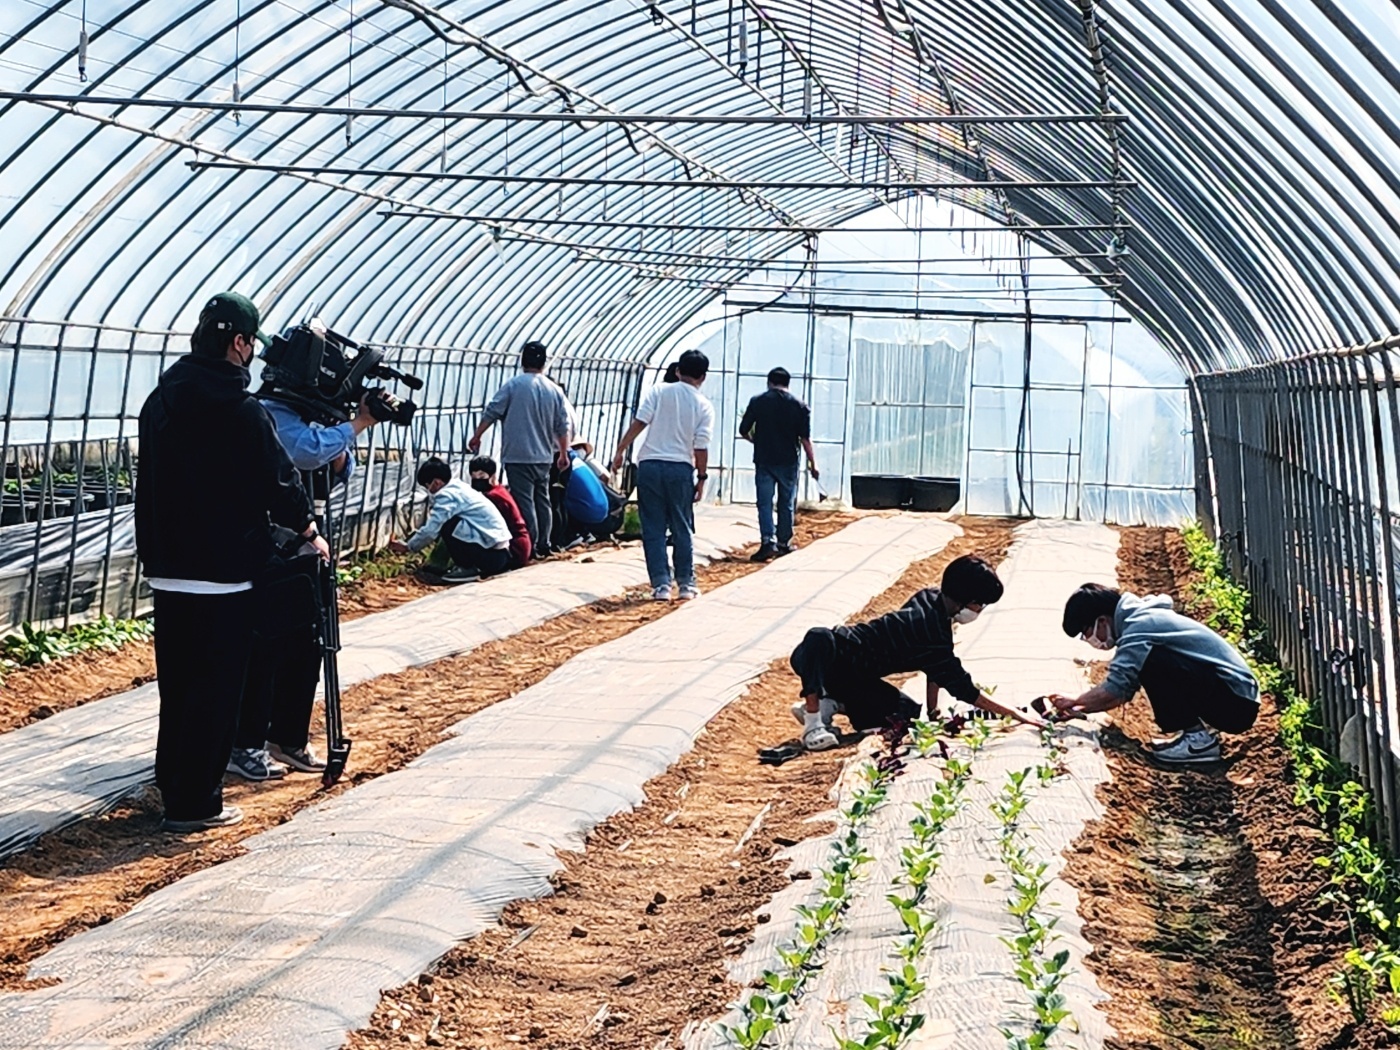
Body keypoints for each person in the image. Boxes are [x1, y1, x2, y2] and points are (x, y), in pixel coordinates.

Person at [136, 291, 326, 832]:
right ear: (239, 343)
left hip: (168, 569)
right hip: (222, 570)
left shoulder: (160, 402)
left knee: (177, 687)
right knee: (215, 691)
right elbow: (279, 479)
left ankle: (173, 786)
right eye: (250, 344)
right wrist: (308, 530)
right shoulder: (241, 411)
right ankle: (196, 805)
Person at [225, 379, 382, 782]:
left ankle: (288, 738)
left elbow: (334, 468)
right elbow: (304, 451)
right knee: (266, 648)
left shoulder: (311, 418)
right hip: (267, 545)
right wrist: (357, 423)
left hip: (305, 548)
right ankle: (246, 743)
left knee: (308, 644)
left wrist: (340, 441)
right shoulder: (266, 410)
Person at [788, 555, 1040, 750]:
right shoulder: (930, 633)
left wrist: (932, 712)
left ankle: (827, 706)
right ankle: (814, 723)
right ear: (964, 599)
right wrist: (1015, 714)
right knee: (819, 636)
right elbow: (965, 690)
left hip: (856, 677)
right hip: (828, 659)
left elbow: (936, 670)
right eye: (980, 603)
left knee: (906, 713)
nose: (980, 610)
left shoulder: (931, 599)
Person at [1051, 584, 1260, 764]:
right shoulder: (1144, 618)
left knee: (1151, 660)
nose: (1088, 639)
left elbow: (1115, 691)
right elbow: (1122, 687)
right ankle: (1198, 733)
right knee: (1148, 660)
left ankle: (1199, 742)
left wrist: (1075, 702)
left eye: (1086, 632)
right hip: (1236, 695)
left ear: (1102, 621)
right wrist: (1081, 705)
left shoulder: (1139, 628)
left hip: (1235, 704)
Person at [611, 349, 714, 602]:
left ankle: (661, 585)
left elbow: (639, 422)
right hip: (680, 468)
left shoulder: (658, 391)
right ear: (703, 376)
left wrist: (620, 450)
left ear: (678, 371)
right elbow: (700, 446)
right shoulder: (703, 405)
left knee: (653, 527)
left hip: (650, 466)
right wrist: (701, 478)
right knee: (681, 526)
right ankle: (686, 584)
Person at [467, 340, 570, 558]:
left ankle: (529, 547)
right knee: (543, 500)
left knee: (525, 501)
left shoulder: (513, 385)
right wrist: (563, 452)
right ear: (544, 363)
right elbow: (563, 425)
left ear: (523, 360)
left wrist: (477, 435)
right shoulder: (554, 390)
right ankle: (544, 543)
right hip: (544, 456)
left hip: (518, 455)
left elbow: (492, 411)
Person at [739, 367, 819, 562]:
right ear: (788, 383)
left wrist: (755, 441)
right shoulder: (800, 406)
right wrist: (813, 463)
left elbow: (743, 430)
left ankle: (768, 541)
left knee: (764, 503)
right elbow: (805, 438)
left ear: (769, 382)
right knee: (786, 502)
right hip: (789, 460)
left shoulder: (758, 401)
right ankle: (784, 543)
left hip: (764, 459)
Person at [389, 457, 513, 580]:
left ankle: (466, 568)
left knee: (448, 525)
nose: (429, 491)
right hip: (501, 554)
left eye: (428, 486)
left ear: (436, 482)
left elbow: (431, 530)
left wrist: (409, 546)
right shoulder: (459, 487)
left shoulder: (447, 496)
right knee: (452, 524)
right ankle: (455, 565)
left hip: (492, 557)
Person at [468, 454, 532, 568]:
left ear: (492, 476)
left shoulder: (493, 496)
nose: (477, 480)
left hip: (515, 548)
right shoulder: (500, 490)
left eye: (481, 477)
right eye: (474, 477)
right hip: (520, 545)